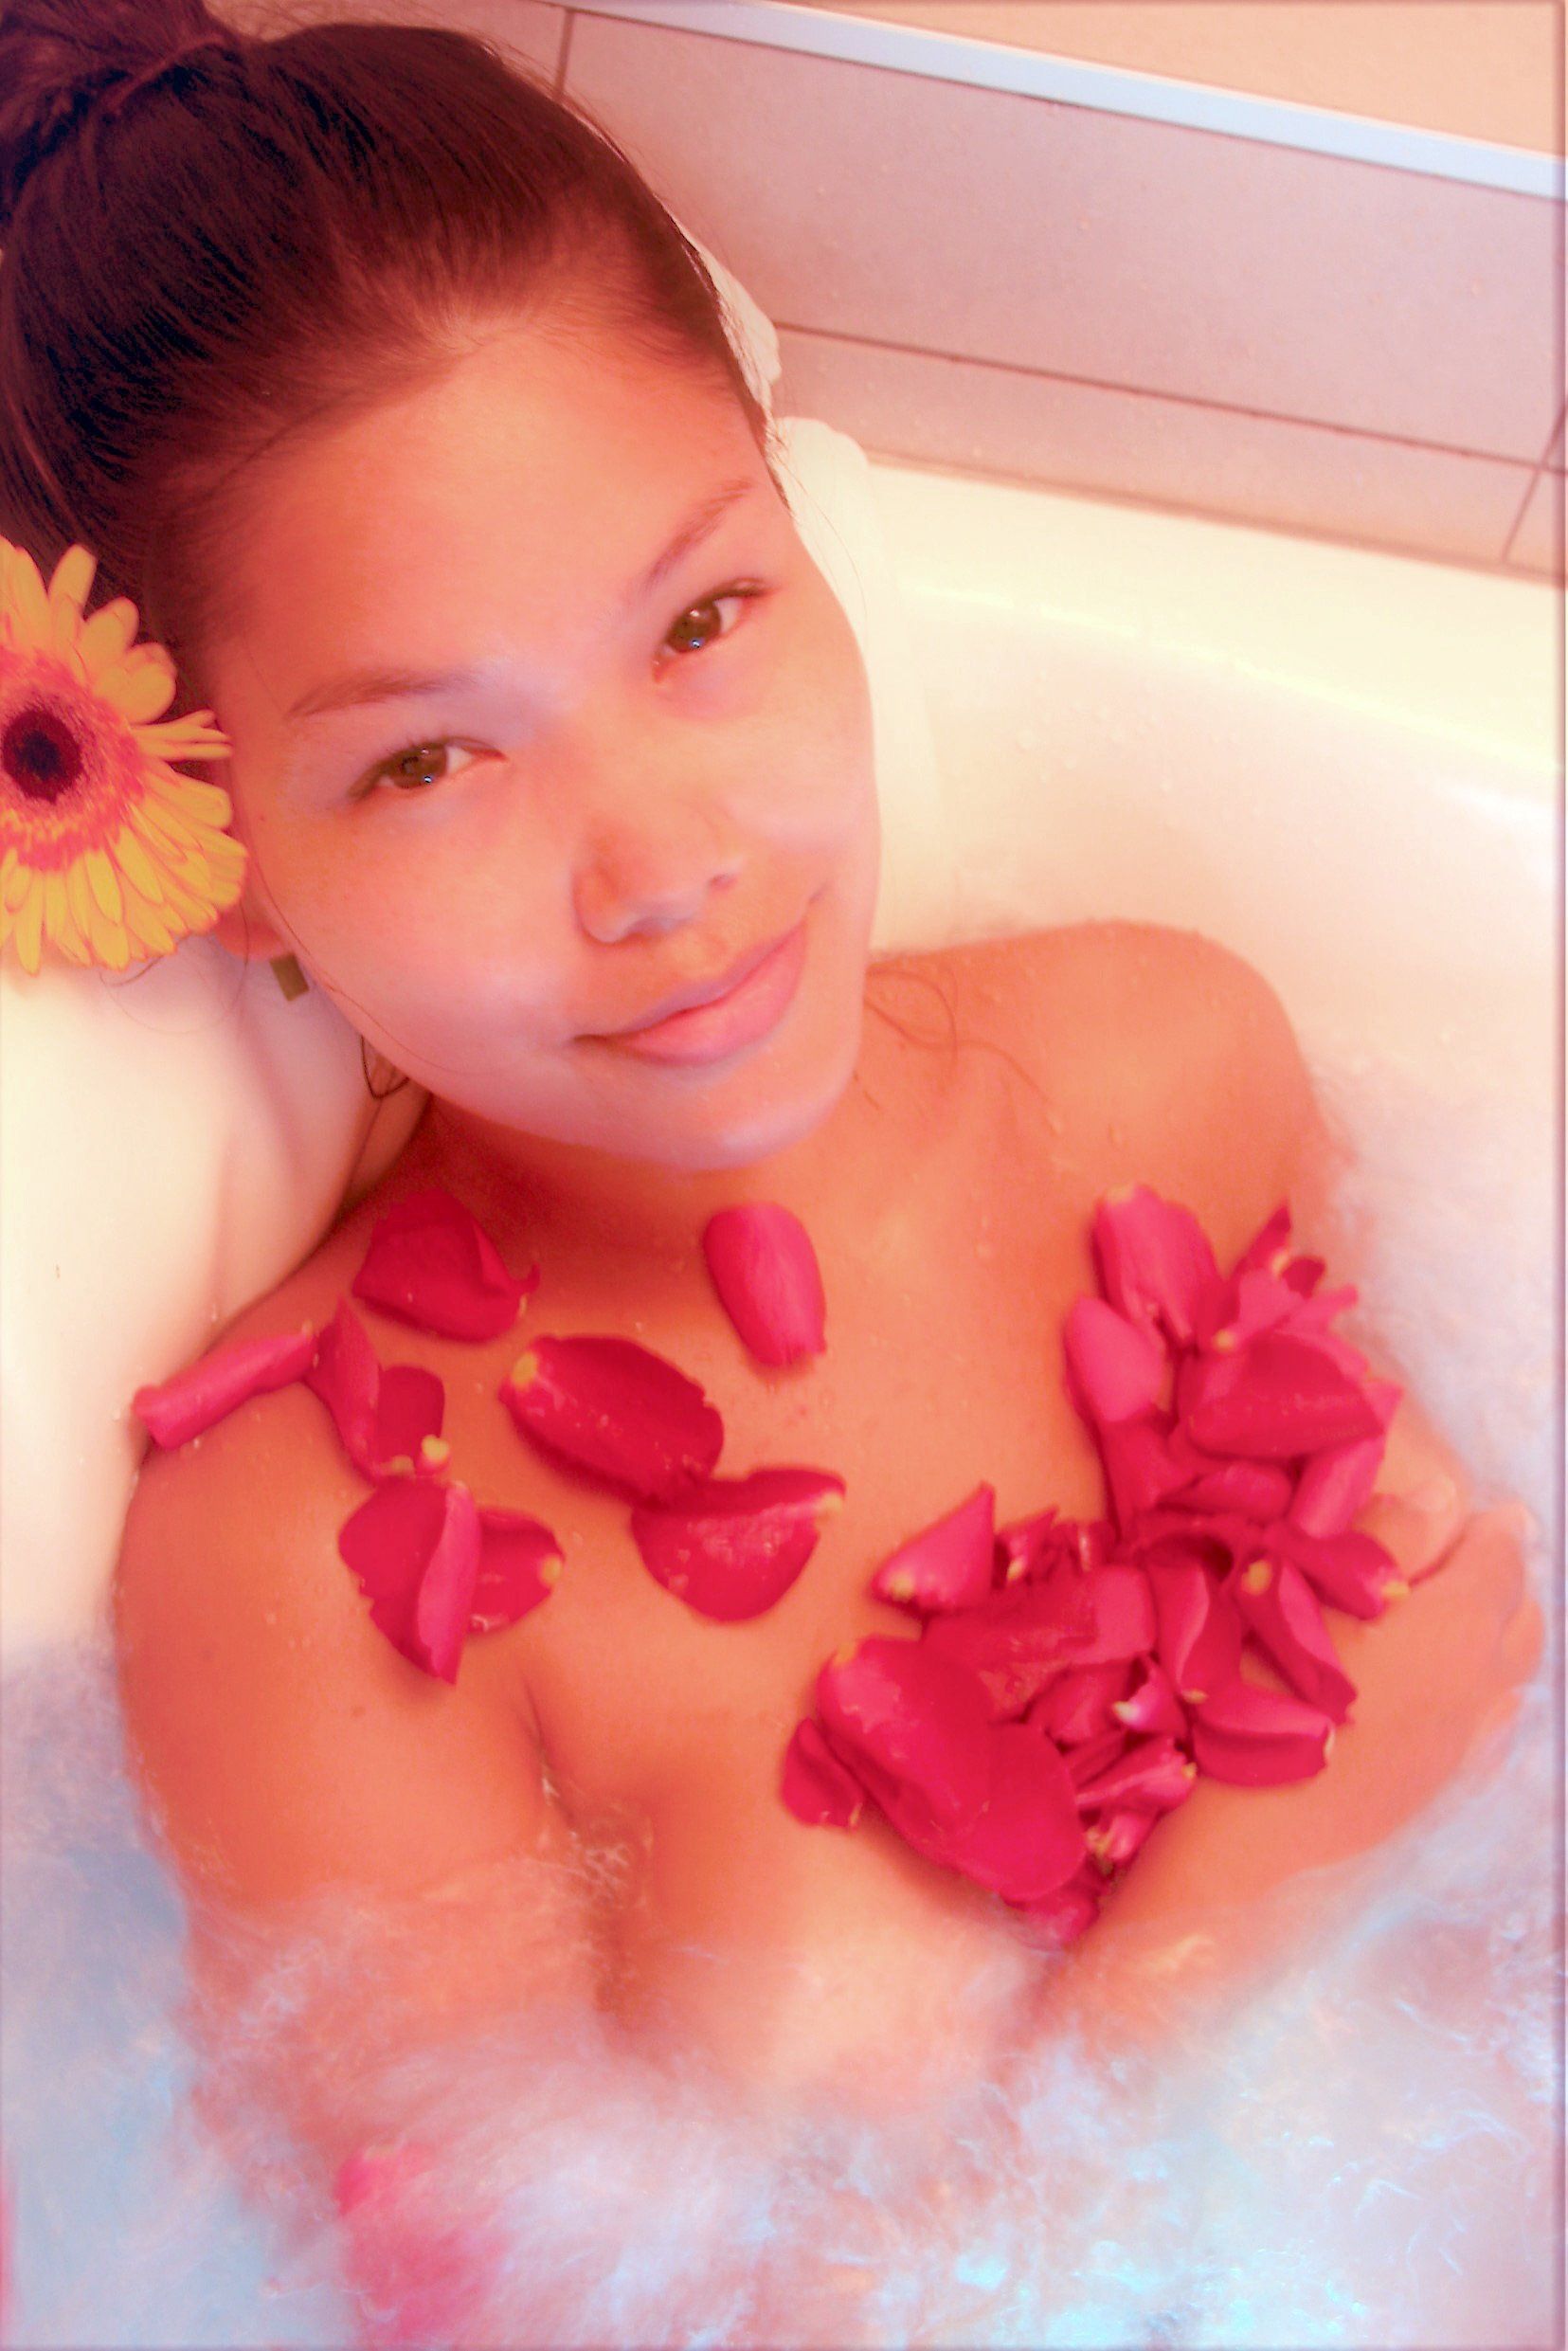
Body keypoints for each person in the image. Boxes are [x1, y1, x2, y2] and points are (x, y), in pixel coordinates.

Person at [0, 0, 1541, 2317]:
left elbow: (1459, 1659)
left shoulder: (1175, 1059)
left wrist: (1190, 1976)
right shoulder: (296, 1567)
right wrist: (1186, 1959)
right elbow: (542, 2308)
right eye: (427, 761)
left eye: (704, 618)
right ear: (225, 859)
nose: (668, 868)